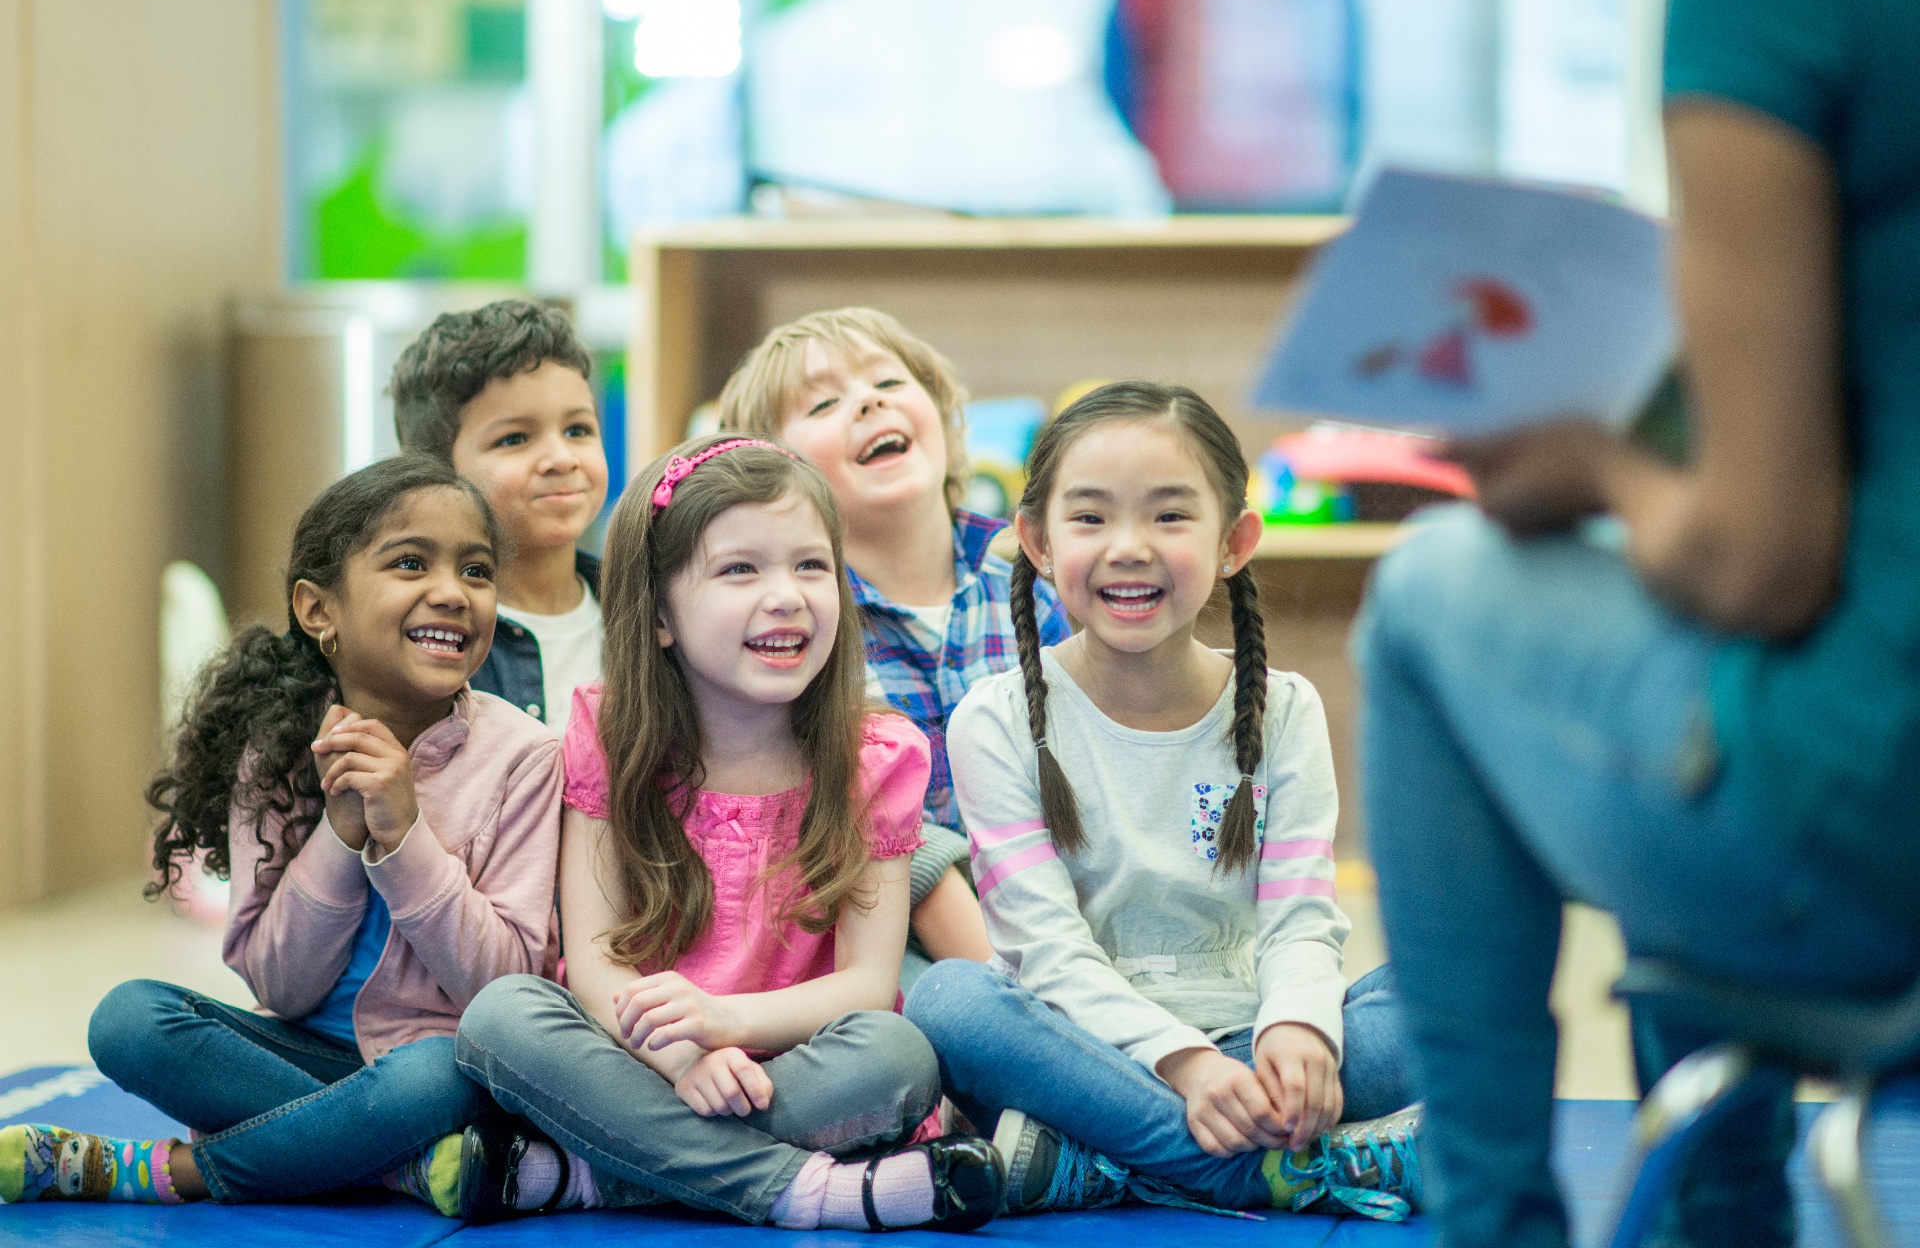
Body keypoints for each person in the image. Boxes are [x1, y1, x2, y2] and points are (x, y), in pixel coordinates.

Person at [1352, 0, 1920, 1244]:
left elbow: (1759, 563)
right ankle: (1720, 1205)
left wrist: (1599, 464)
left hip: (1872, 826)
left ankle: (1497, 1220)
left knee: (1427, 595)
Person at [447, 436, 1005, 1231]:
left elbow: (866, 987)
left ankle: (608, 1175)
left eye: (811, 566)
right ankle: (804, 1191)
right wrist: (684, 1057)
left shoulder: (878, 758)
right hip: (645, 1060)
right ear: (663, 615)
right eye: (740, 569)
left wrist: (727, 1024)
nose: (786, 596)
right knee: (500, 1018)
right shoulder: (606, 731)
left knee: (899, 1056)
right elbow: (598, 962)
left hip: (802, 1072)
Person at [906, 383, 1420, 1219]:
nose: (1129, 548)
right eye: (1091, 518)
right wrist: (1184, 1064)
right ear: (1035, 541)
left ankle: (1109, 1163)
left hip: (1246, 1047)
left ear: (1235, 541)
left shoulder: (1283, 709)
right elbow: (1046, 953)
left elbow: (1300, 917)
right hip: (1081, 1054)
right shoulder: (993, 722)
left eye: (1171, 517)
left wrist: (1300, 1033)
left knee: (1432, 998)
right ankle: (1281, 1170)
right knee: (950, 1003)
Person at [0, 456, 562, 1210]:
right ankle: (396, 1165)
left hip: (441, 1070)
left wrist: (403, 840)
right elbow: (280, 985)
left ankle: (159, 1173)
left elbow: (504, 992)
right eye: (408, 562)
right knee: (129, 1020)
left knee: (436, 1073)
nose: (452, 592)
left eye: (476, 571)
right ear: (317, 609)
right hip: (306, 1060)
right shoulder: (276, 748)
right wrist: (339, 832)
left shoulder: (526, 757)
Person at [718, 307, 1072, 976]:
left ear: (941, 413)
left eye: (887, 380)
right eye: (824, 402)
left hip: (1052, 910)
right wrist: (1023, 984)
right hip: (886, 931)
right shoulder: (798, 633)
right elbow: (877, 845)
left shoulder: (1033, 595)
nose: (869, 400)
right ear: (772, 477)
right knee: (942, 1013)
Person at [392, 299, 610, 733]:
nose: (561, 458)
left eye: (577, 430)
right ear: (437, 471)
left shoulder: (647, 611)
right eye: (515, 439)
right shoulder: (429, 634)